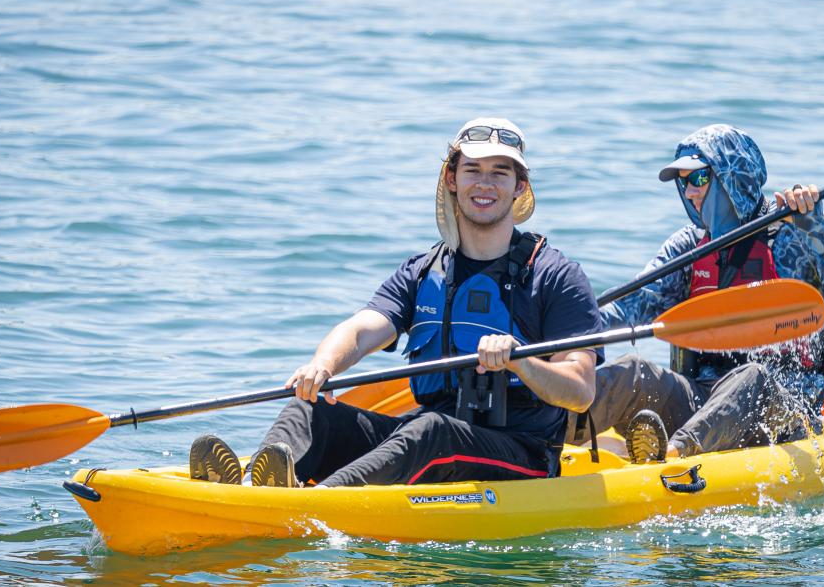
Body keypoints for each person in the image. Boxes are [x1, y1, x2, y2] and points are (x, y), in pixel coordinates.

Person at [189, 118, 601, 488]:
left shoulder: (556, 276)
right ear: (452, 179)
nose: (485, 184)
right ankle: (250, 486)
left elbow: (580, 391)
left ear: (520, 186)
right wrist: (322, 366)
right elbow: (361, 328)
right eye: (473, 170)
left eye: (500, 172)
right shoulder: (424, 271)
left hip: (522, 455)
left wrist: (520, 361)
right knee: (309, 411)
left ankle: (318, 498)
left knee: (431, 431)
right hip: (429, 435)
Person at [569, 123, 824, 462]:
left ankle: (672, 456)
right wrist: (560, 333)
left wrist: (818, 232)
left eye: (699, 179)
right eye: (683, 182)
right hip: (700, 400)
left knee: (753, 377)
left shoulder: (801, 230)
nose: (689, 191)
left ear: (733, 177)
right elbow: (626, 309)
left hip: (782, 411)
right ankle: (542, 438)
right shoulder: (689, 247)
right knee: (632, 370)